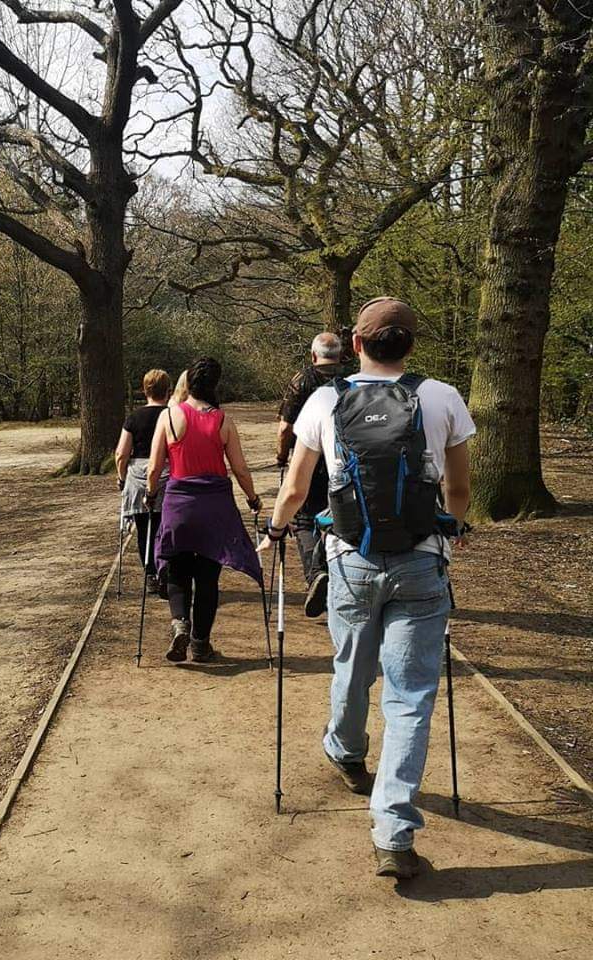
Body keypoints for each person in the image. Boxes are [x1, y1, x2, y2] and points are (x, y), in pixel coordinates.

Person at [259, 297, 474, 879]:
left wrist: (275, 531)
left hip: (351, 559)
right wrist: (449, 535)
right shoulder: (442, 396)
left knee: (352, 665)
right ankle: (394, 833)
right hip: (421, 561)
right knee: (411, 695)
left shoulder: (325, 400)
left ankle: (346, 749)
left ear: (356, 344)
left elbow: (297, 487)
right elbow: (458, 488)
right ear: (410, 344)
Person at [147, 357, 263, 663]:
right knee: (208, 576)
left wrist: (149, 494)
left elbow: (154, 467)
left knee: (177, 567)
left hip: (179, 503)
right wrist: (253, 498)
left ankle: (179, 622)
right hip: (215, 505)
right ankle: (200, 643)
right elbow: (239, 468)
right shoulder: (223, 420)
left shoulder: (170, 416)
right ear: (214, 385)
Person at [276, 332, 346, 618]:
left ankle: (316, 574)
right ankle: (336, 575)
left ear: (314, 355)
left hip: (308, 459)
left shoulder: (302, 380)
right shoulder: (351, 379)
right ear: (340, 355)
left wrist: (282, 456)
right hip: (342, 460)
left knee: (304, 520)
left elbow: (285, 427)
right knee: (339, 516)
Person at [116, 369, 172, 596]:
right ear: (167, 391)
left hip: (138, 477)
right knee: (166, 527)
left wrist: (121, 479)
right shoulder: (173, 416)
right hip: (169, 476)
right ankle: (165, 569)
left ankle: (149, 572)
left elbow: (121, 454)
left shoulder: (133, 418)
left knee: (143, 529)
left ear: (144, 390)